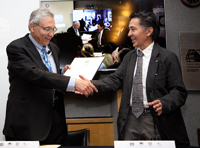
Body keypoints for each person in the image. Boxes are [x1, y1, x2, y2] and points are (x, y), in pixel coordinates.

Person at [80, 11, 190, 147]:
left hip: (155, 120)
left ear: (149, 31)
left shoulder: (167, 58)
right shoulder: (129, 57)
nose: (129, 34)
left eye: (133, 29)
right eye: (129, 30)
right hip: (130, 120)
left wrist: (164, 102)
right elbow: (114, 80)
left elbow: (179, 92)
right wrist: (88, 84)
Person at [3, 8, 97, 146]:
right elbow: (36, 74)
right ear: (32, 26)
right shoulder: (16, 48)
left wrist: (62, 73)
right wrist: (72, 82)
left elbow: (49, 75)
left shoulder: (53, 47)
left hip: (55, 120)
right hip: (28, 123)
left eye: (54, 29)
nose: (51, 34)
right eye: (47, 29)